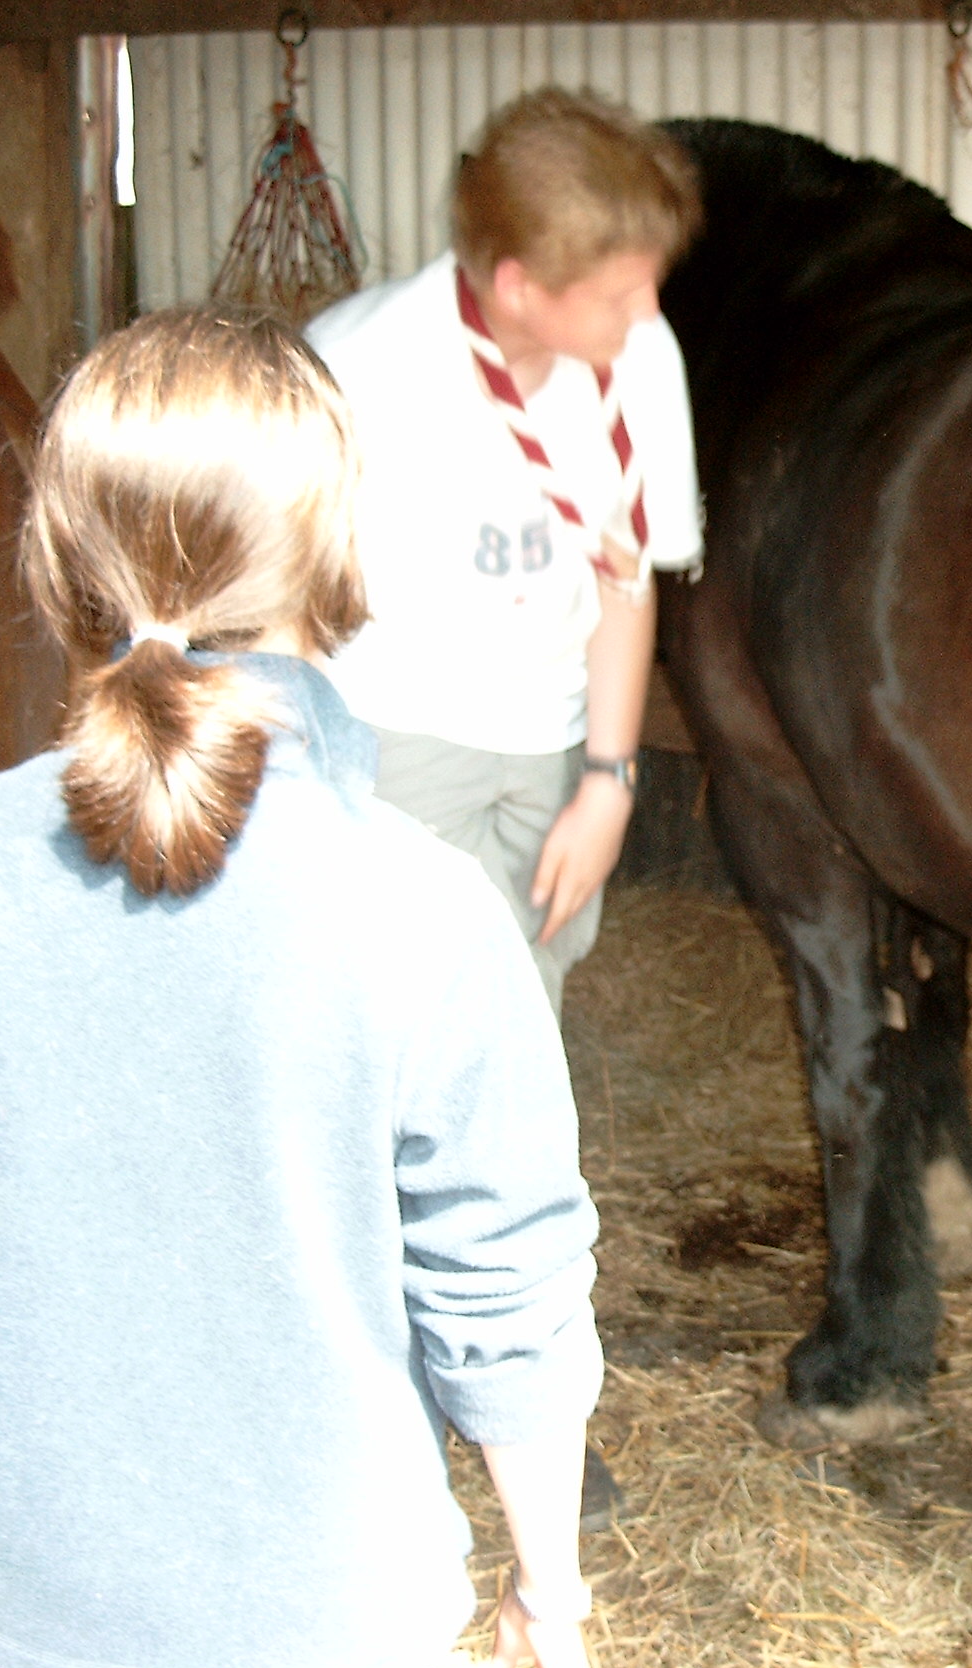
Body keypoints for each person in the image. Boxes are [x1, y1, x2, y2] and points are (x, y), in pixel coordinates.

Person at [0, 309, 603, 1668]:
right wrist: (549, 1592)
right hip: (344, 1639)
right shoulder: (429, 908)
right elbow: (508, 1299)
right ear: (332, 560)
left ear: (59, 563)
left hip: (31, 1625)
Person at [305, 88, 705, 1019]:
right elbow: (284, 606)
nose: (650, 310)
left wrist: (609, 781)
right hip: (396, 735)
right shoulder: (358, 369)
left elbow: (624, 580)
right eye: (619, 293)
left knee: (529, 999)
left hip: (553, 738)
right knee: (424, 1013)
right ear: (521, 288)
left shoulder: (641, 356)